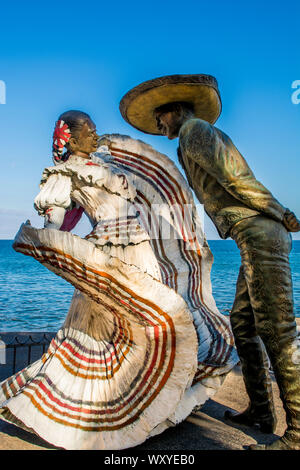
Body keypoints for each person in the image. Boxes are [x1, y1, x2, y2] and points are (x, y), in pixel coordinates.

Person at [0, 109, 237, 449]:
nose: (95, 133)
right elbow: (56, 226)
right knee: (104, 332)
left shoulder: (107, 164)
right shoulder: (61, 176)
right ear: (72, 136)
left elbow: (145, 200)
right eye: (89, 129)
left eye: (95, 128)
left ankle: (160, 402)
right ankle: (109, 409)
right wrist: (48, 245)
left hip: (142, 251)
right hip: (107, 257)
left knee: (155, 321)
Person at [119, 74, 300, 450]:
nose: (158, 124)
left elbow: (233, 178)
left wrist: (280, 211)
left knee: (277, 331)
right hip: (251, 232)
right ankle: (262, 412)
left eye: (160, 117)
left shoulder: (193, 131)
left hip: (260, 230)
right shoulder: (191, 135)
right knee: (243, 324)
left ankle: (297, 433)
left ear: (174, 110)